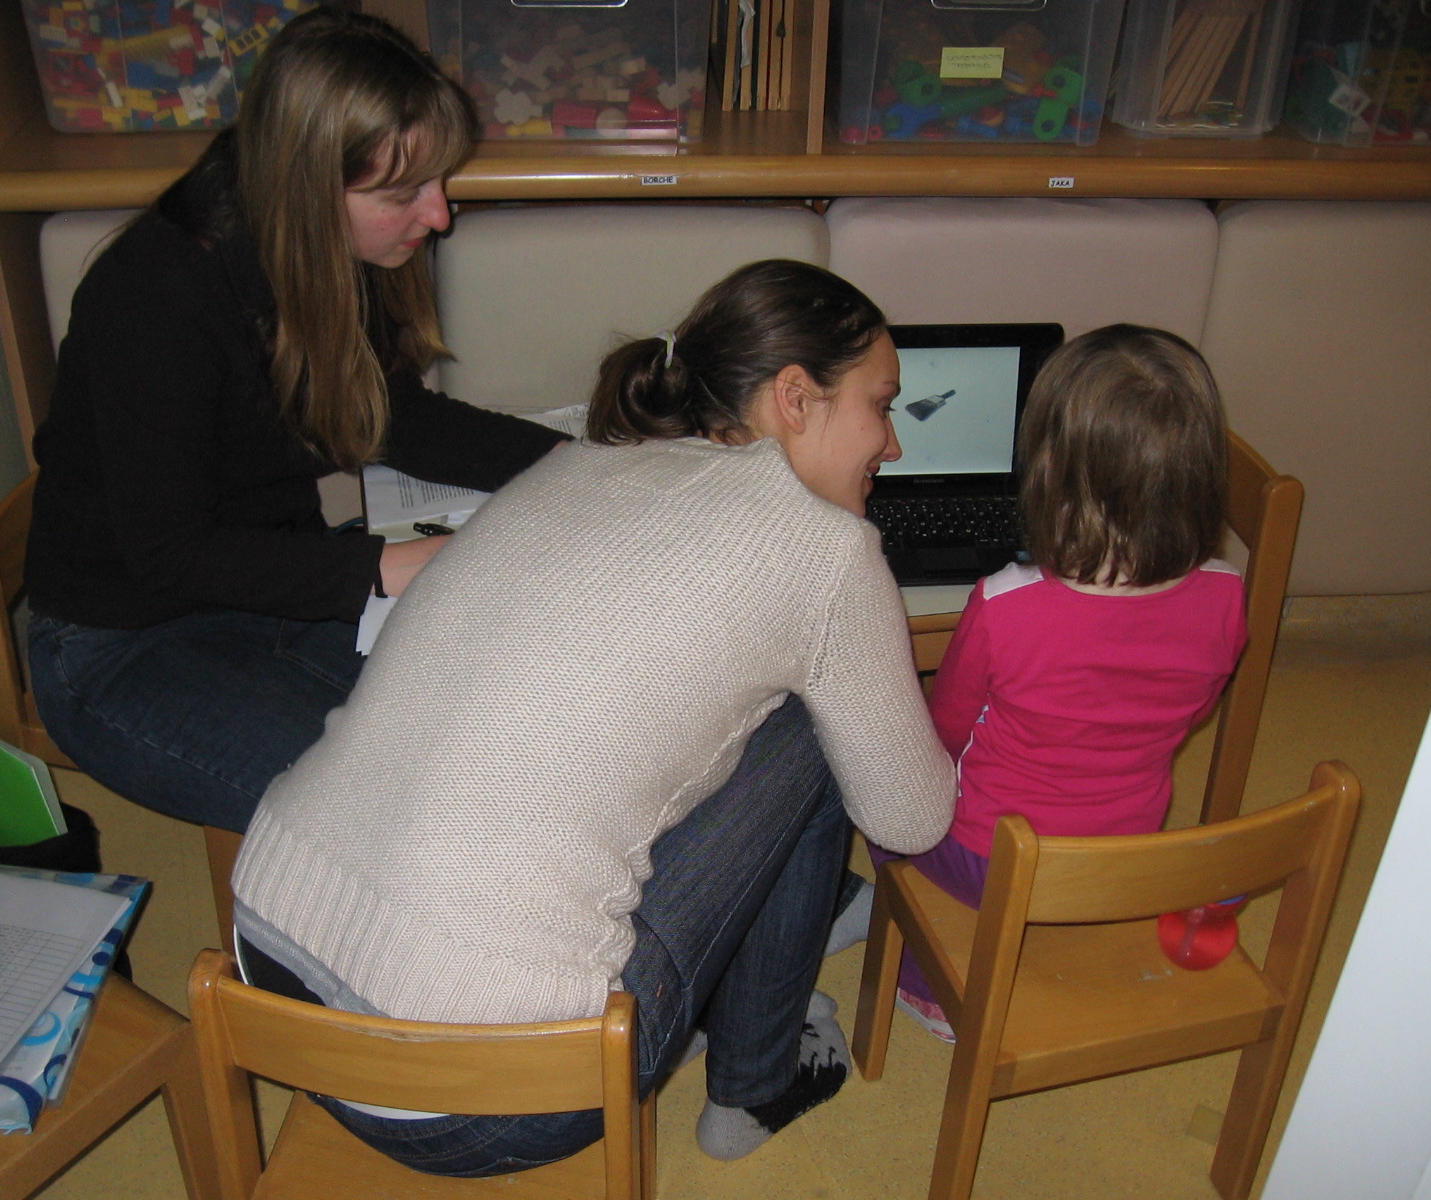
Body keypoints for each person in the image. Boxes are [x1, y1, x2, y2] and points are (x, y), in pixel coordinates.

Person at [230, 259, 958, 1173]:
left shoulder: (579, 462)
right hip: (485, 1098)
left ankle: (733, 991)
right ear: (794, 397)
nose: (892, 445)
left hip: (270, 972)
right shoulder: (825, 550)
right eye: (881, 406)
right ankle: (757, 1082)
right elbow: (909, 819)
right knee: (815, 726)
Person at [24, 8, 566, 833]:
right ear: (308, 186)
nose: (439, 216)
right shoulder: (154, 298)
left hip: (271, 589)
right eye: (403, 193)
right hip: (120, 642)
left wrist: (585, 466)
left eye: (437, 182)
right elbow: (170, 552)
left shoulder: (321, 249)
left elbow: (394, 418)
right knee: (411, 822)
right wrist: (396, 566)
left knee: (523, 730)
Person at [867, 323, 1249, 1043]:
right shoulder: (1229, 594)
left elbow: (945, 730)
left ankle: (925, 985)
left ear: (1047, 471)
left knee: (885, 806)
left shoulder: (1005, 603)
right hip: (1127, 853)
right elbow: (1194, 706)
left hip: (989, 864)